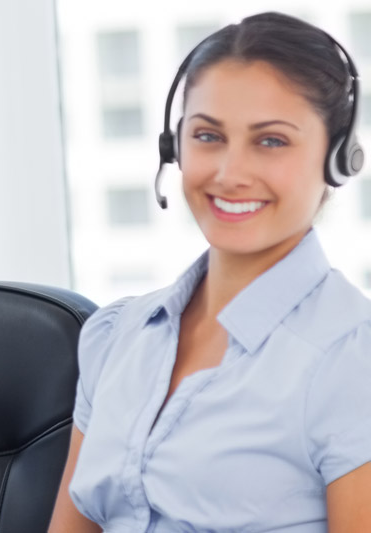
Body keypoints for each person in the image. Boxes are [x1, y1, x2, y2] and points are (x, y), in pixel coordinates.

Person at [48, 12, 371, 532]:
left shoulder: (352, 359)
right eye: (207, 136)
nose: (230, 173)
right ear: (174, 146)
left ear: (337, 159)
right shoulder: (117, 338)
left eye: (271, 141)